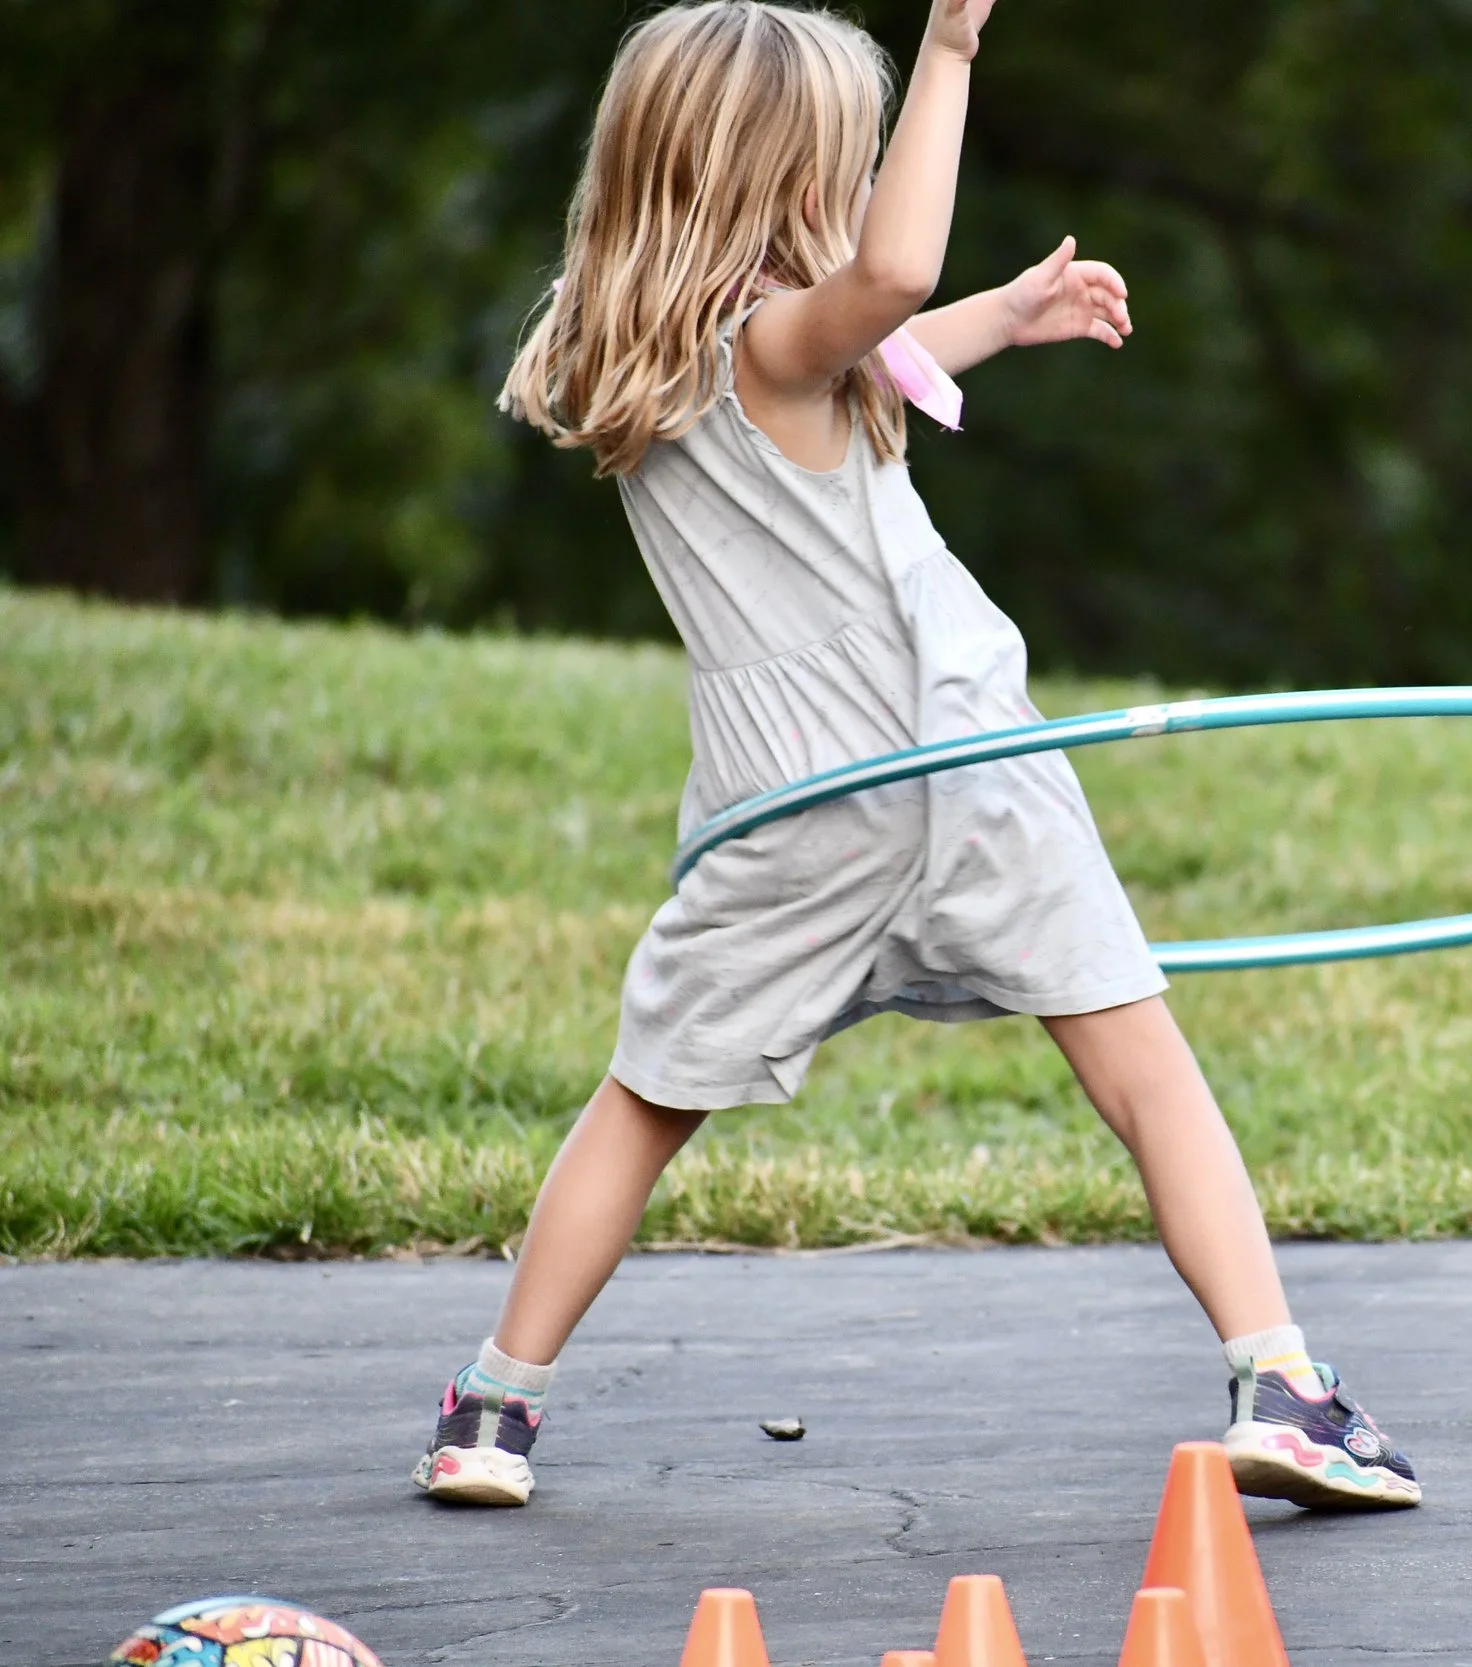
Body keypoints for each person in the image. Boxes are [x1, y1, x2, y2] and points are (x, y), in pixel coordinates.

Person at [411, 0, 1419, 1514]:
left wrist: (1003, 321)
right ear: (780, 175)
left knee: (643, 1098)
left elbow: (869, 349)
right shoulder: (780, 337)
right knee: (1149, 1074)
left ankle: (494, 1404)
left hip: (783, 810)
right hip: (960, 763)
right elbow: (882, 285)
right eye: (835, 157)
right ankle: (1281, 1378)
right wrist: (946, 48)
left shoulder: (647, 355)